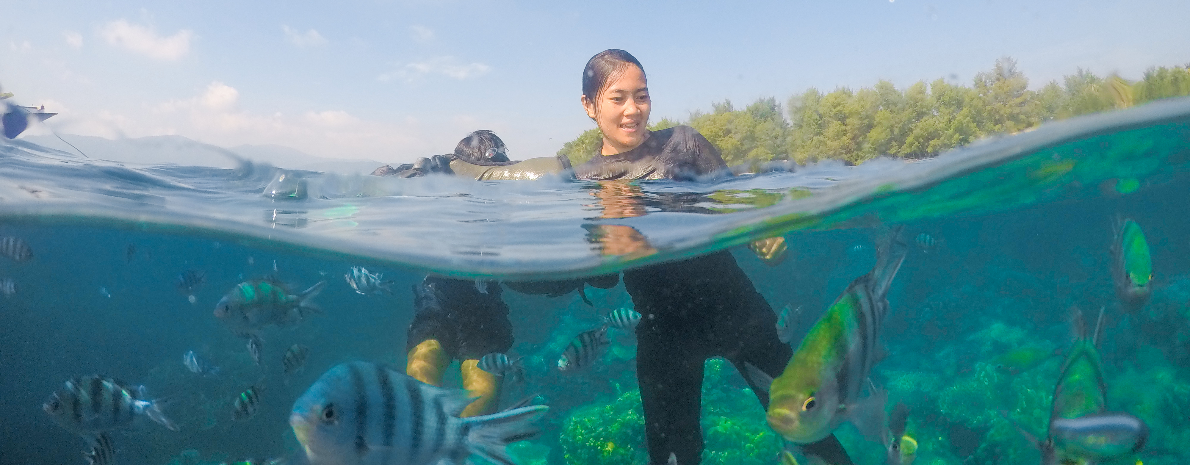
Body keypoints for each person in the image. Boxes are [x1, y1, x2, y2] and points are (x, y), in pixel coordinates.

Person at [571, 49, 836, 465]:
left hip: (736, 308)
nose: (633, 109)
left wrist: (762, 236)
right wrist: (606, 234)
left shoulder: (684, 143)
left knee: (811, 428)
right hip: (663, 331)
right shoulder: (585, 180)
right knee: (674, 455)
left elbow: (735, 204)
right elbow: (602, 278)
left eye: (641, 96)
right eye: (617, 98)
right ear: (589, 106)